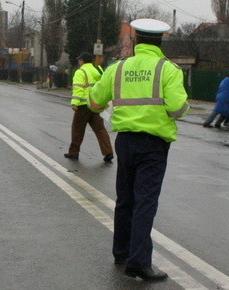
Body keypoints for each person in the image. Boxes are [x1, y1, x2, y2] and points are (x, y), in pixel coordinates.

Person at [88, 19, 190, 281]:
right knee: (145, 200)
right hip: (154, 144)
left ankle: (121, 252)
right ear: (160, 42)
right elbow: (177, 108)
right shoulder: (168, 69)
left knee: (125, 198)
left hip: (125, 141)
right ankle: (139, 262)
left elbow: (95, 102)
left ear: (135, 41)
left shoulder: (117, 68)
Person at [64, 52, 113, 162]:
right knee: (100, 129)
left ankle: (73, 152)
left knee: (77, 129)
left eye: (79, 60)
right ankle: (108, 152)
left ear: (82, 61)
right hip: (95, 105)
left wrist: (75, 103)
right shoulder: (97, 71)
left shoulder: (80, 72)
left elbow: (78, 88)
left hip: (83, 106)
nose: (78, 62)